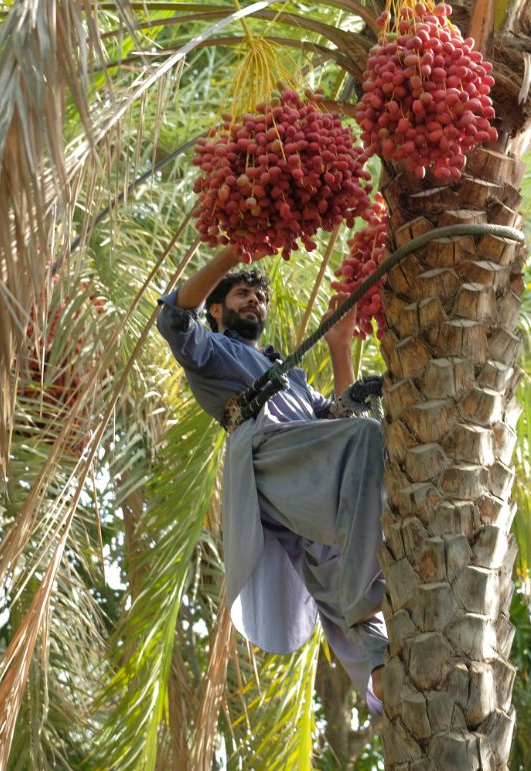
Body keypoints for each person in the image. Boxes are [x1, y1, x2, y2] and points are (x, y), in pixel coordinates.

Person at [155, 245, 388, 713]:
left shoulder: (292, 376)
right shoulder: (213, 350)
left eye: (260, 297)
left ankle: (381, 675)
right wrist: (230, 255)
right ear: (216, 310)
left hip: (304, 466)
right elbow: (172, 320)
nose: (255, 303)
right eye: (243, 294)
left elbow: (336, 416)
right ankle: (369, 598)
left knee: (332, 559)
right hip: (266, 456)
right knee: (365, 437)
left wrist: (340, 347)